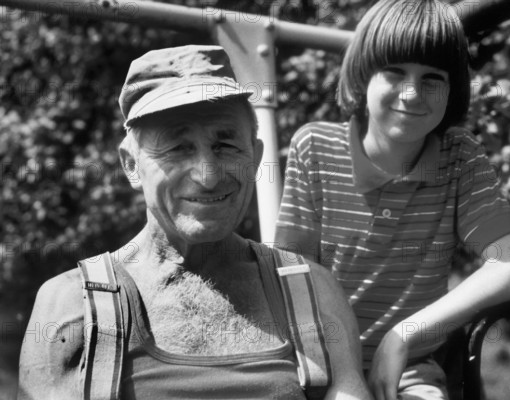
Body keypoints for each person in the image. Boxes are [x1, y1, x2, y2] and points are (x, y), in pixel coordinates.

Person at [18, 45, 371, 400]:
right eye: (177, 148)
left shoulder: (314, 292)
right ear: (131, 165)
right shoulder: (72, 306)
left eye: (226, 145)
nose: (208, 176)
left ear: (256, 155)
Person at [275, 1, 510, 399]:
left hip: (410, 368)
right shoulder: (315, 148)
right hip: (318, 360)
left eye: (432, 78)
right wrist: (341, 377)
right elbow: (293, 275)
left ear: (453, 89)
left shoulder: (459, 157)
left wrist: (404, 335)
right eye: (394, 72)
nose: (412, 93)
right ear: (363, 77)